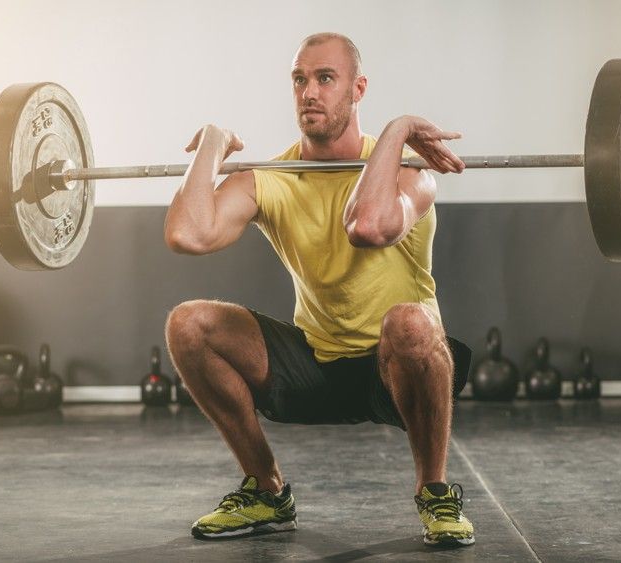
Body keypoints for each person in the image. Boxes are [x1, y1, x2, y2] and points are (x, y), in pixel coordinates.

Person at [164, 31, 475, 548]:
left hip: (397, 366)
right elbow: (187, 233)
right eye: (300, 80)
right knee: (188, 324)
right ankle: (266, 490)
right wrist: (213, 146)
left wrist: (396, 131)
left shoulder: (410, 173)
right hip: (316, 363)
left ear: (358, 89)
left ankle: (435, 490)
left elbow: (370, 226)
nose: (310, 92)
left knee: (409, 322)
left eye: (326, 78)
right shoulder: (275, 179)